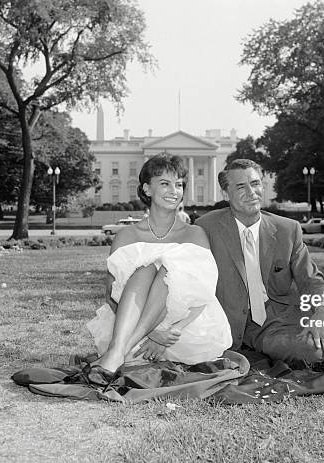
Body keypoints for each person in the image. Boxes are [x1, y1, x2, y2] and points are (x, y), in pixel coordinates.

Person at [197, 159, 324, 365]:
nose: (251, 192)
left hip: (296, 311)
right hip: (255, 325)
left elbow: (313, 281)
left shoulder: (287, 229)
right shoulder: (206, 228)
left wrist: (323, 312)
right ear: (226, 194)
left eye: (255, 184)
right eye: (241, 186)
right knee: (309, 353)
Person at [85, 154, 232, 381]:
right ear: (147, 189)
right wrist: (153, 332)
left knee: (167, 267)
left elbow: (203, 293)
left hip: (184, 331)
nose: (174, 191)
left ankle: (118, 353)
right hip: (132, 325)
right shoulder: (127, 236)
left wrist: (169, 333)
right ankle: (119, 351)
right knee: (146, 268)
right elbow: (111, 295)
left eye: (179, 185)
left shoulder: (194, 234)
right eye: (164, 183)